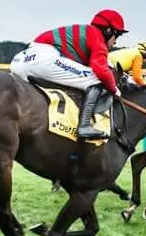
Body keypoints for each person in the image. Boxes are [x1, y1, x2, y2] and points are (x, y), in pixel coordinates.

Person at [10, 9, 128, 139]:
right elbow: (101, 70)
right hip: (43, 61)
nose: (115, 42)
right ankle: (84, 126)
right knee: (96, 78)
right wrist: (114, 90)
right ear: (108, 31)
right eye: (117, 36)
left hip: (19, 61)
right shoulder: (97, 38)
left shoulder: (87, 33)